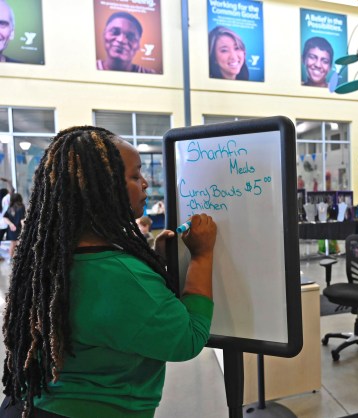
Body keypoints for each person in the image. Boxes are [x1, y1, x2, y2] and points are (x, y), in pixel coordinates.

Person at [1, 126, 217, 418]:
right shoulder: (122, 276)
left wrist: (158, 265)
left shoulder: (48, 260)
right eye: (134, 175)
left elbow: (110, 314)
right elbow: (188, 339)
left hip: (29, 406)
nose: (145, 184)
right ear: (102, 187)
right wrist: (202, 256)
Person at [2, 192, 24, 259]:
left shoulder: (10, 208)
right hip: (19, 228)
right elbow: (22, 220)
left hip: (12, 229)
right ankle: (19, 259)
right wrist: (24, 229)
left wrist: (11, 224)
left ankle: (10, 259)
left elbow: (5, 218)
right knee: (19, 244)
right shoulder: (21, 207)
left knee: (12, 244)